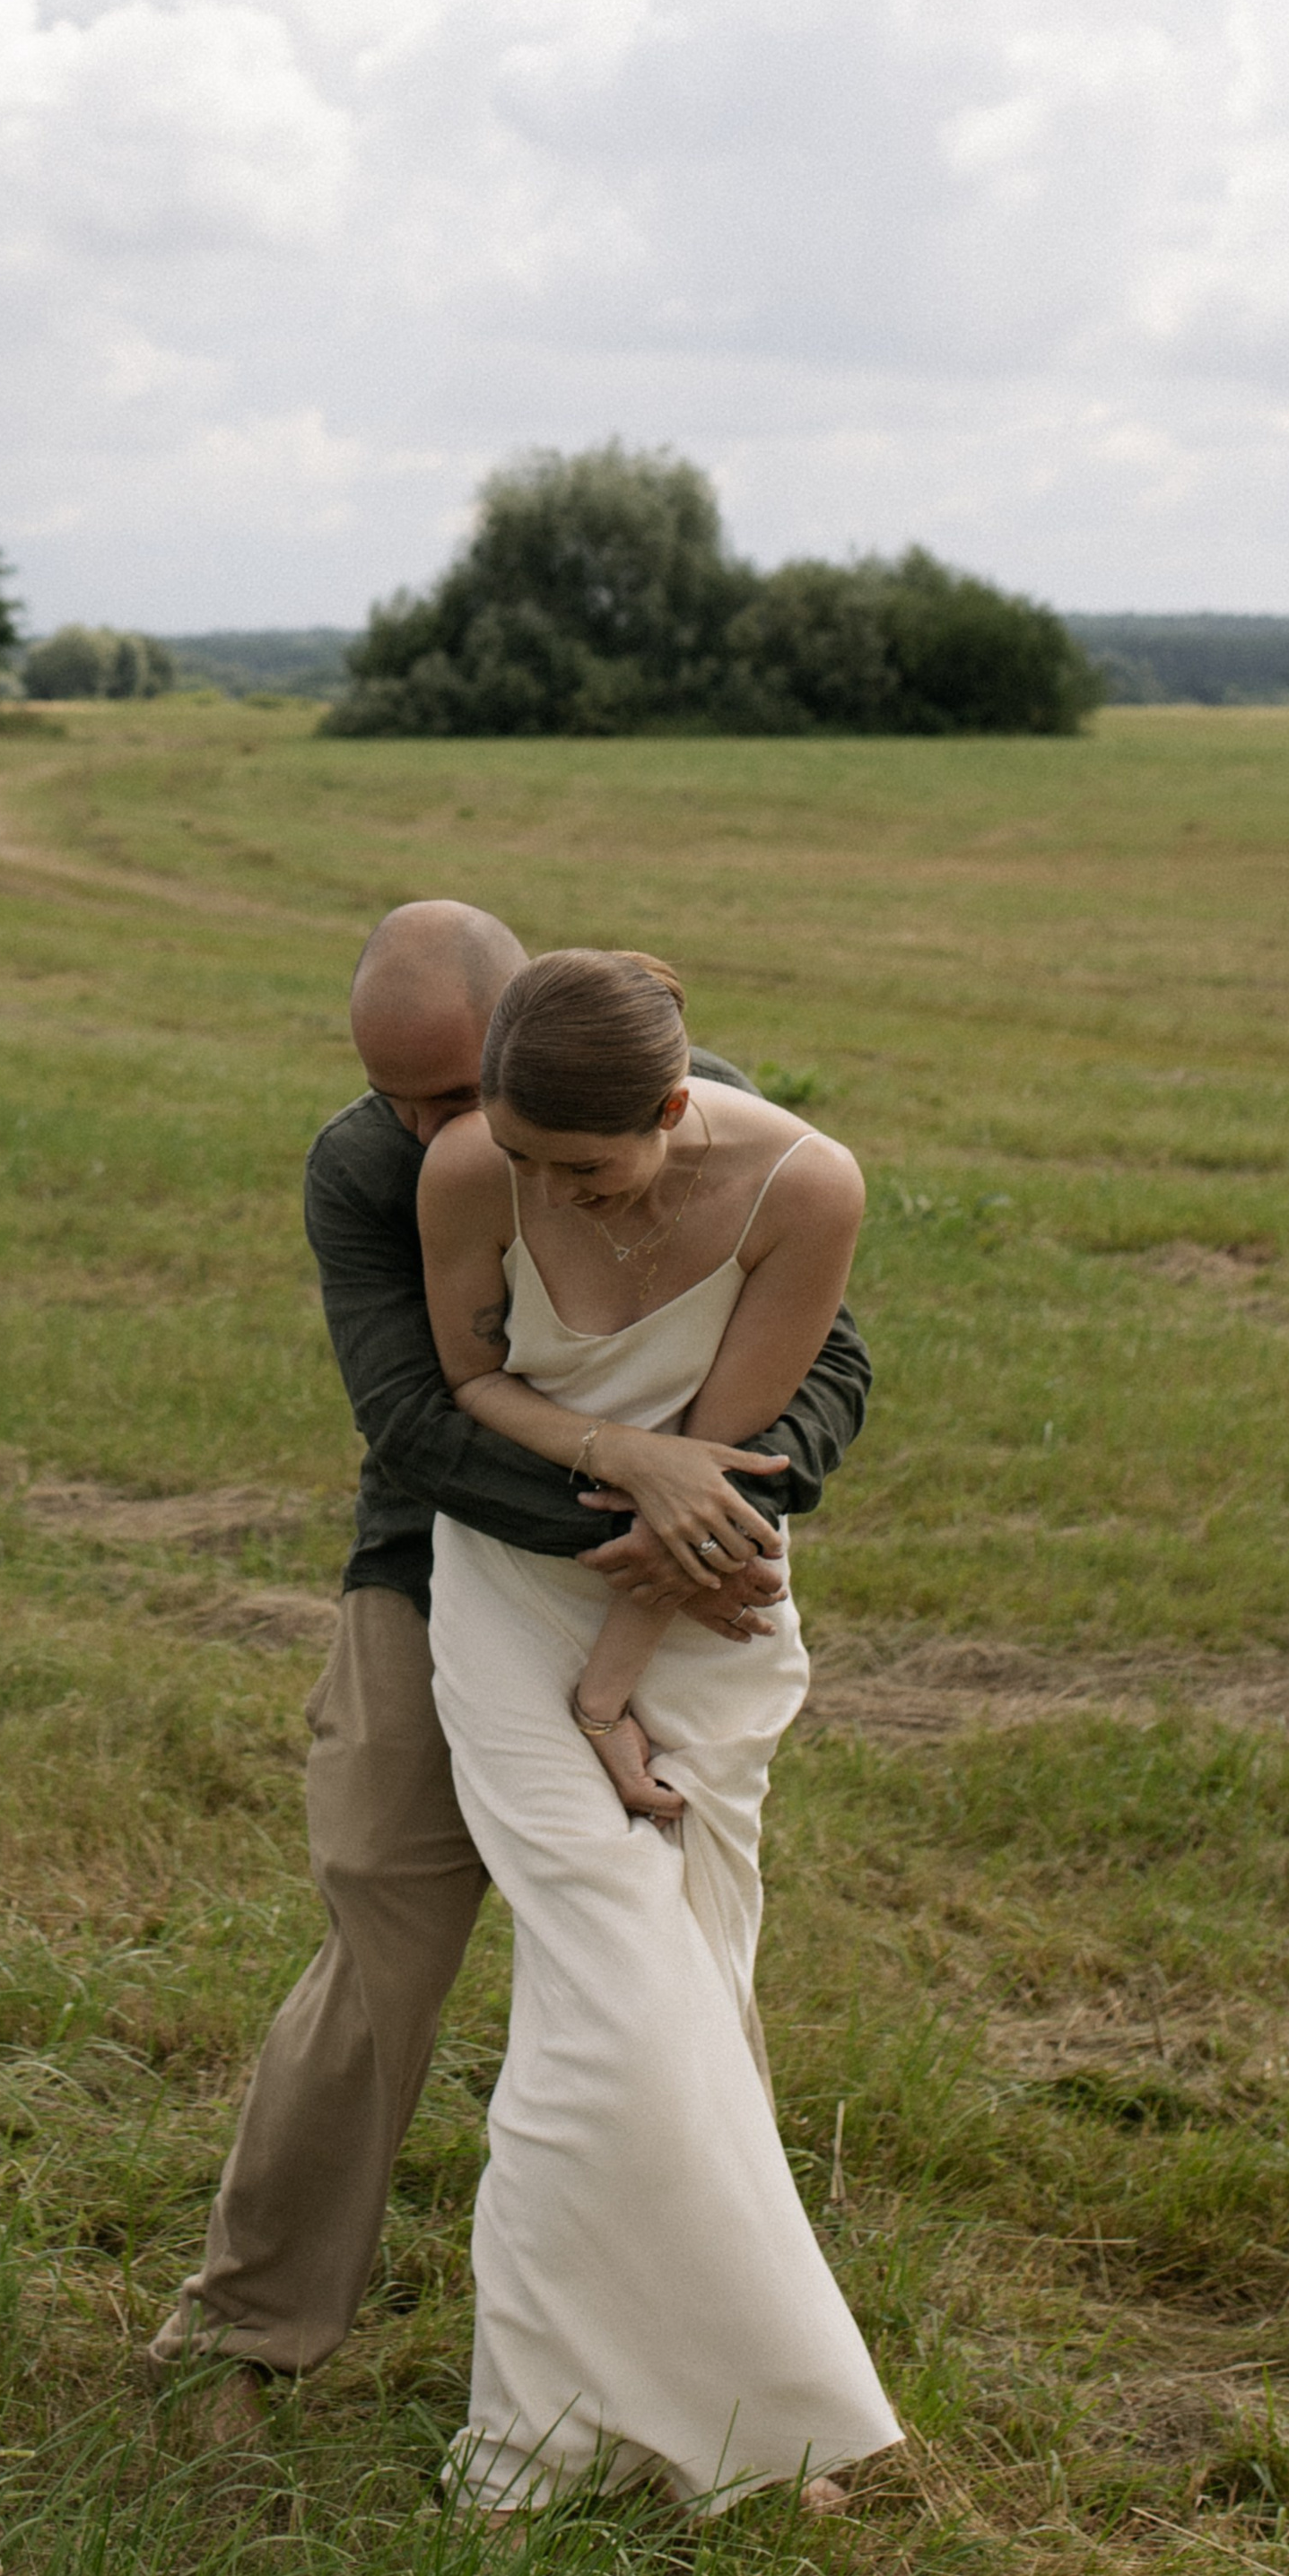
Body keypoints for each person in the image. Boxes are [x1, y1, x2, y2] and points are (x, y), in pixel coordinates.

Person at [152, 902, 871, 2435]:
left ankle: (726, 2366)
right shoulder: (369, 1165)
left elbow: (834, 1363)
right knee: (383, 1945)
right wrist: (646, 1505)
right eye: (394, 1096)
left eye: (444, 1094)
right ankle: (253, 2330)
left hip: (673, 1598)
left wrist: (726, 1513)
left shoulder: (676, 1108)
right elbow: (414, 1415)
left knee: (670, 1969)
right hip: (432, 1576)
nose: (426, 1131)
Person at [416, 946, 900, 2514]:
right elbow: (474, 1378)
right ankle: (542, 2446)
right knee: (619, 2011)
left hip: (700, 1621)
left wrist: (616, 1692)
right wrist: (618, 1446)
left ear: (681, 1109)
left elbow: (726, 1479)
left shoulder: (807, 1188)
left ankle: (709, 2431)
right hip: (504, 1599)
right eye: (529, 1159)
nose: (558, 1194)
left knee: (692, 1993)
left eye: (593, 1166)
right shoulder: (466, 1170)